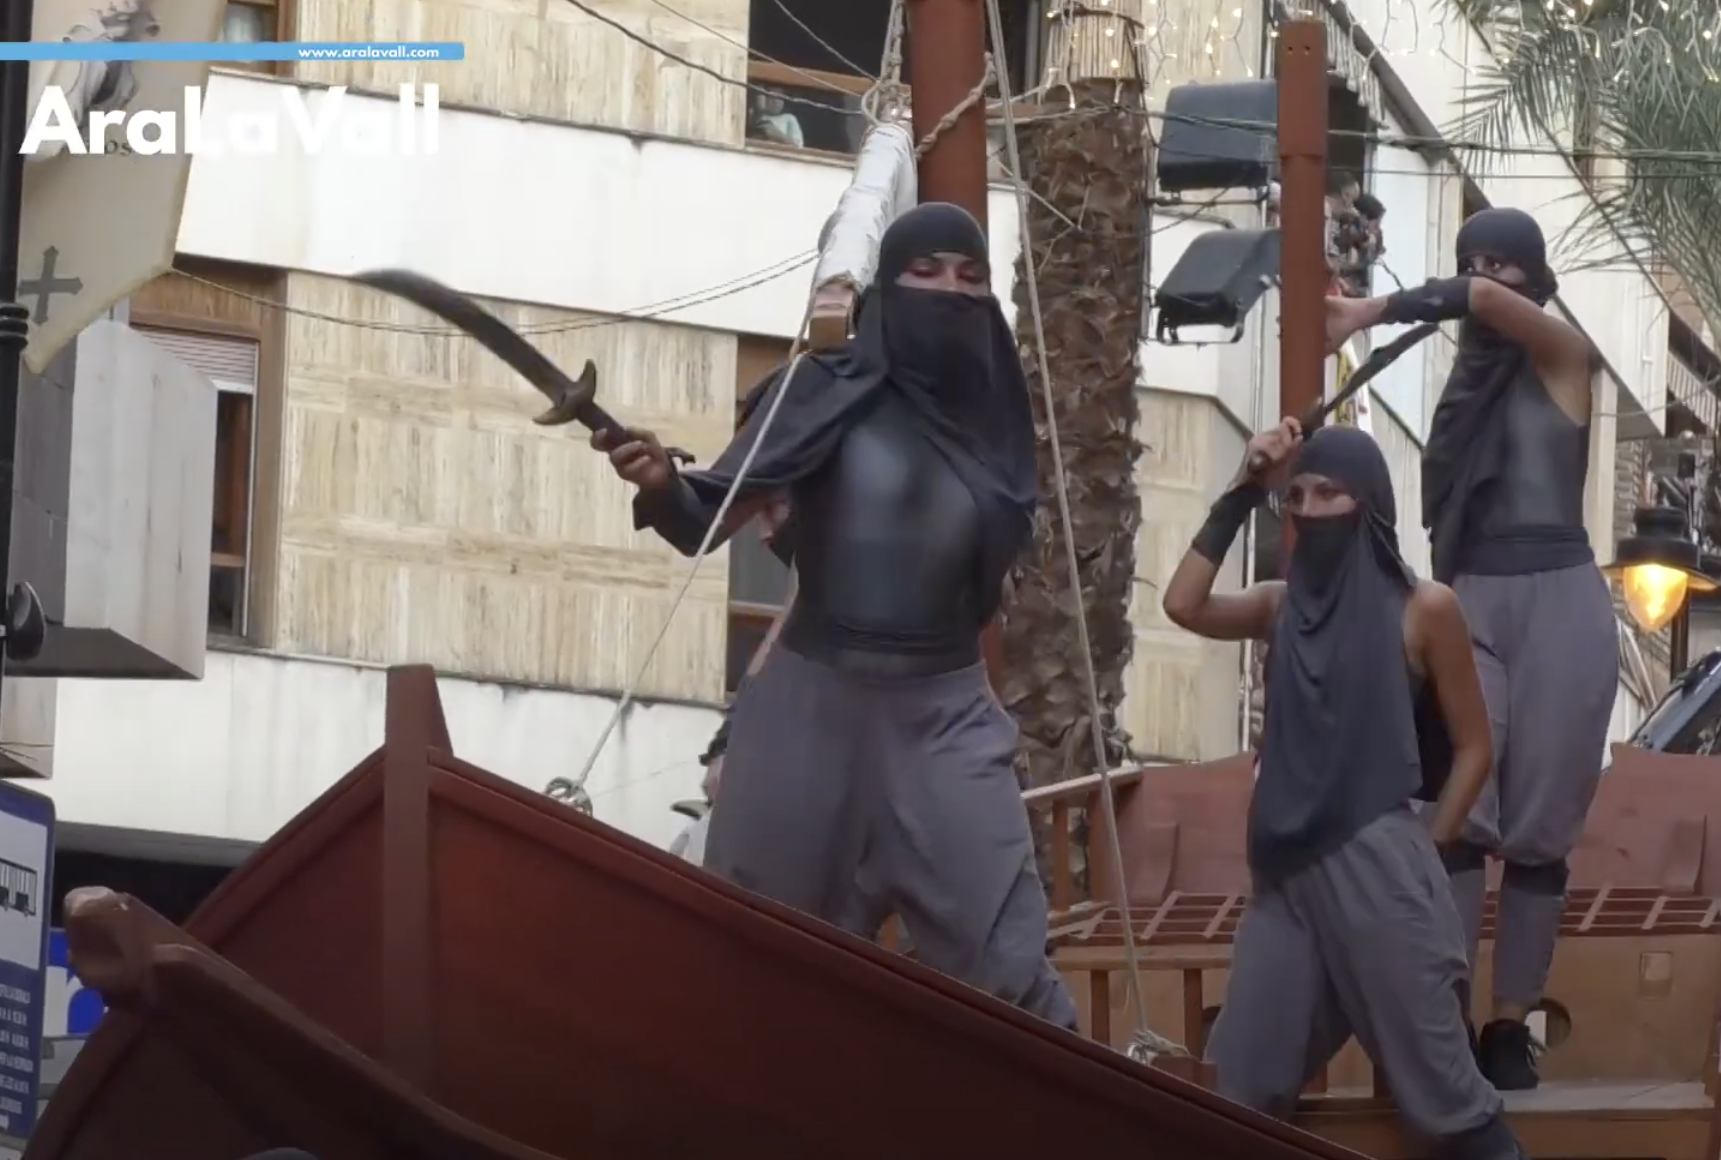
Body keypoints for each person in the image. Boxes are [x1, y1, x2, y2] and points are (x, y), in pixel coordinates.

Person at [592, 202, 1078, 1030]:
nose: (951, 291)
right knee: (753, 960)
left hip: (946, 716)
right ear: (888, 286)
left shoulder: (996, 409)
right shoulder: (819, 389)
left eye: (971, 277)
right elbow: (705, 518)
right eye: (925, 272)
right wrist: (664, 484)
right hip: (809, 709)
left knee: (1009, 971)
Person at [1161, 422, 1520, 1160]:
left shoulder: (1424, 608)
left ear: (1369, 502)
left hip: (1375, 856)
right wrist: (1245, 487)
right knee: (1233, 1094)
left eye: (1329, 493)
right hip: (1282, 874)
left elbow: (1476, 745)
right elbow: (1183, 604)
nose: (1308, 509)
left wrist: (1426, 849)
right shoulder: (1278, 606)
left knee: (1446, 1099)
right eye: (1296, 497)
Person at [1325, 206, 1620, 1090]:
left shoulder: (1565, 357)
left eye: (1502, 263)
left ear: (1534, 277)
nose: (1485, 277)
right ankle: (1445, 1014)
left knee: (1539, 832)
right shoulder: (1461, 390)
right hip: (1469, 595)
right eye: (1471, 260)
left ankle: (1509, 1024)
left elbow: (1484, 303)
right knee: (1457, 805)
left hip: (1561, 595)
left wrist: (1370, 310)